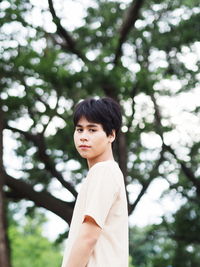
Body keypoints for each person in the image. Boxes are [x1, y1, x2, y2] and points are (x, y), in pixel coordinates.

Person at [61, 97, 128, 267]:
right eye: (79, 129)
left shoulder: (103, 171)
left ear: (111, 135)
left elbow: (88, 238)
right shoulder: (107, 172)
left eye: (92, 130)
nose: (83, 137)